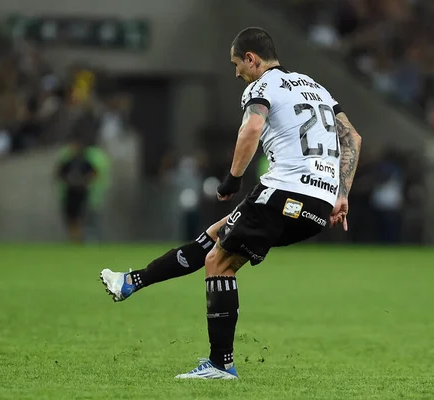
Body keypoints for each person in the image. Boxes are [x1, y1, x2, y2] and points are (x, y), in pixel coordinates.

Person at [100, 27, 362, 379]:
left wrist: (233, 179)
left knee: (218, 262)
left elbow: (251, 129)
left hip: (284, 191)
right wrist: (342, 193)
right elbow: (352, 137)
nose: (236, 72)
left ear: (252, 59)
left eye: (237, 63)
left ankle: (221, 364)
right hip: (318, 204)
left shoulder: (262, 86)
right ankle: (132, 281)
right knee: (213, 236)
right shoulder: (315, 87)